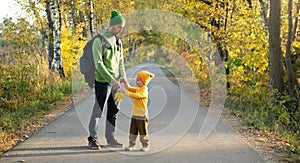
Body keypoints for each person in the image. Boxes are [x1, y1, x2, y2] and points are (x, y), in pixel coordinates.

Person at [87, 10, 126, 150]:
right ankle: (93, 139)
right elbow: (98, 64)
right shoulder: (99, 40)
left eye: (122, 27)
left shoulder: (118, 41)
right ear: (111, 26)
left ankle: (110, 138)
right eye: (119, 27)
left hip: (115, 83)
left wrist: (123, 77)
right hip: (103, 82)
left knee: (113, 111)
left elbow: (120, 61)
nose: (121, 29)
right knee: (98, 111)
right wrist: (111, 79)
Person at [118, 71, 155, 152]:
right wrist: (125, 82)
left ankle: (145, 145)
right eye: (136, 80)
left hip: (142, 115)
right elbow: (129, 89)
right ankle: (131, 144)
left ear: (144, 81)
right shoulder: (138, 89)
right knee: (133, 131)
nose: (136, 81)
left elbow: (136, 96)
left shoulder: (144, 90)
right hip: (134, 115)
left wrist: (125, 93)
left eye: (139, 80)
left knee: (143, 131)